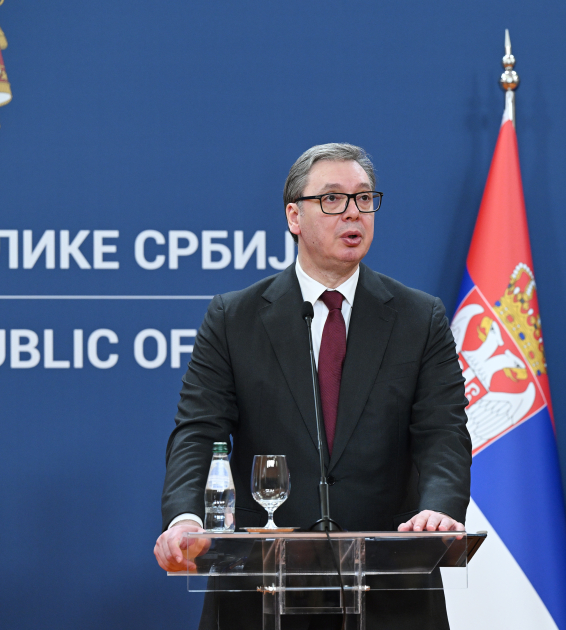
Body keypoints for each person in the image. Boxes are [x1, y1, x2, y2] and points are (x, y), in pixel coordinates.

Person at [154, 143, 472, 630]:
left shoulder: (419, 318)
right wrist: (185, 519)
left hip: (389, 590)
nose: (353, 212)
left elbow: (443, 432)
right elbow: (199, 431)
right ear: (294, 217)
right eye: (332, 199)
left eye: (364, 198)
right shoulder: (234, 318)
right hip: (262, 587)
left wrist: (438, 509)